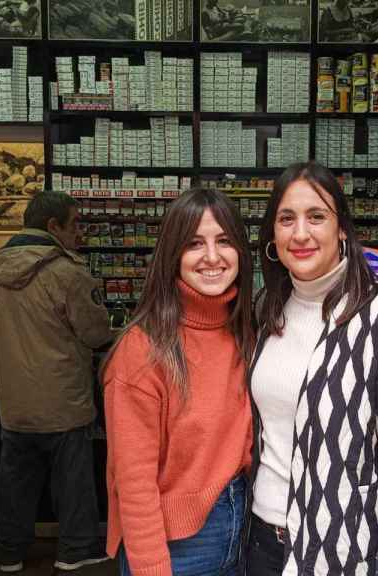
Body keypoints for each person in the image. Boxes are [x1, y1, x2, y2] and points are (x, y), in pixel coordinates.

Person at [245, 162, 378, 575]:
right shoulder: (265, 310)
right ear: (272, 236)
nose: (300, 233)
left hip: (345, 551)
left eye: (317, 216)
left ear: (343, 230)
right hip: (261, 543)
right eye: (286, 219)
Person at [102, 188, 255, 576]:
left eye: (224, 241)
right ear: (172, 254)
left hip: (245, 526)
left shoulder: (246, 331)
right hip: (178, 543)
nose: (212, 257)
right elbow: (133, 484)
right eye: (193, 244)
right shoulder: (143, 350)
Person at [0, 191, 113, 574]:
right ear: (53, 226)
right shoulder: (68, 273)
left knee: (15, 481)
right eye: (74, 225)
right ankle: (76, 550)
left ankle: (9, 552)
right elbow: (96, 332)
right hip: (62, 399)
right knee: (72, 481)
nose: (79, 234)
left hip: (14, 402)